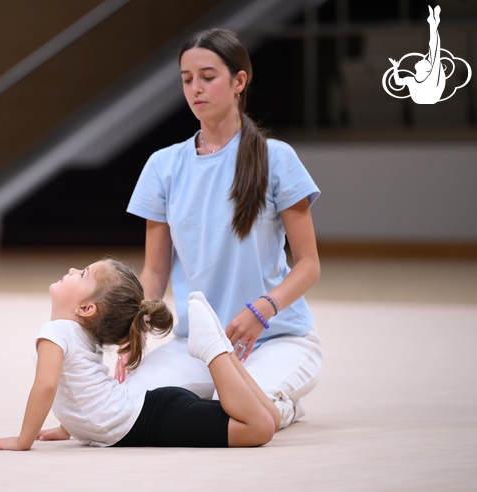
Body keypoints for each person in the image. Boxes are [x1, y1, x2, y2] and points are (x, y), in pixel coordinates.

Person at [118, 28, 323, 429]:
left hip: (277, 340)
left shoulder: (276, 159)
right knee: (122, 403)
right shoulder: (162, 166)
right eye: (186, 79)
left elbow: (309, 265)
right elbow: (155, 271)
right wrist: (135, 330)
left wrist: (262, 311)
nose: (195, 88)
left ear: (238, 81)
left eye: (208, 76)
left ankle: (282, 404)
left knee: (241, 412)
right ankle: (261, 400)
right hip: (194, 345)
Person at [0, 259, 279, 450]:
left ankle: (212, 349)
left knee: (259, 428)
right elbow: (79, 386)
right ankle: (221, 346)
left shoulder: (54, 333)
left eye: (83, 274)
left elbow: (47, 386)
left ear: (87, 309)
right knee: (270, 419)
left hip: (152, 419)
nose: (73, 270)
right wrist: (69, 427)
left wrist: (23, 441)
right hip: (152, 410)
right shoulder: (78, 334)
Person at [389, 6, 444, 104]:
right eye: (424, 60)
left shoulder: (429, 78)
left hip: (429, 96)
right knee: (434, 51)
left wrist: (433, 25)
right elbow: (397, 82)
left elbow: (434, 48)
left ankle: (433, 24)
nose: (421, 59)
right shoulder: (413, 80)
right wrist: (395, 67)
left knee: (434, 50)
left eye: (423, 61)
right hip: (426, 97)